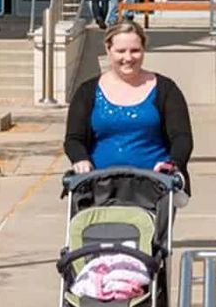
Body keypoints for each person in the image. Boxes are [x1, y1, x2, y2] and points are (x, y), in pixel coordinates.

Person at [63, 19, 194, 195]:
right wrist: (80, 159)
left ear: (143, 50)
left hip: (154, 186)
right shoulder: (87, 92)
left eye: (135, 51)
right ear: (108, 50)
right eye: (121, 51)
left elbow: (182, 137)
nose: (128, 58)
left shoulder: (166, 89)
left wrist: (173, 164)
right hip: (99, 186)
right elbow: (73, 139)